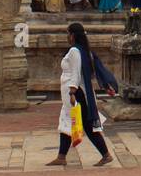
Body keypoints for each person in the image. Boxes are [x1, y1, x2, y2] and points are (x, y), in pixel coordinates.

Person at [46, 23, 114, 167]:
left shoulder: (75, 51)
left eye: (68, 33)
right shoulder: (83, 50)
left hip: (76, 93)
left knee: (87, 125)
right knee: (66, 121)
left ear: (73, 35)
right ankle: (61, 156)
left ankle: (106, 154)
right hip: (72, 93)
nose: (67, 36)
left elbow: (76, 73)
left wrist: (72, 91)